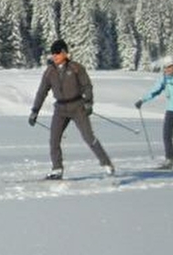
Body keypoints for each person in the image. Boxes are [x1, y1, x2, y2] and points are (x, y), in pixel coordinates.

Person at [29, 39, 116, 180]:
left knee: (88, 137)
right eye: (53, 54)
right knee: (54, 139)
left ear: (64, 53)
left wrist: (88, 102)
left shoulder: (76, 68)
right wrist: (35, 111)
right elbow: (42, 92)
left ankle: (106, 163)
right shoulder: (50, 71)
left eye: (57, 53)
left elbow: (87, 86)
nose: (55, 56)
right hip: (60, 109)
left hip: (77, 107)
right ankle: (57, 169)